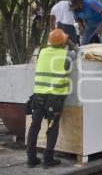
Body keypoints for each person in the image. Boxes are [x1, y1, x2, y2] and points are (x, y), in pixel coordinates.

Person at [26, 29, 78, 169]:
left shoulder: (42, 52)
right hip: (54, 98)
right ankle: (47, 160)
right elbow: (79, 52)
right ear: (63, 42)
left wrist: (61, 41)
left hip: (38, 95)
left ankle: (31, 159)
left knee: (34, 126)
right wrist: (69, 42)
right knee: (52, 127)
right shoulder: (66, 55)